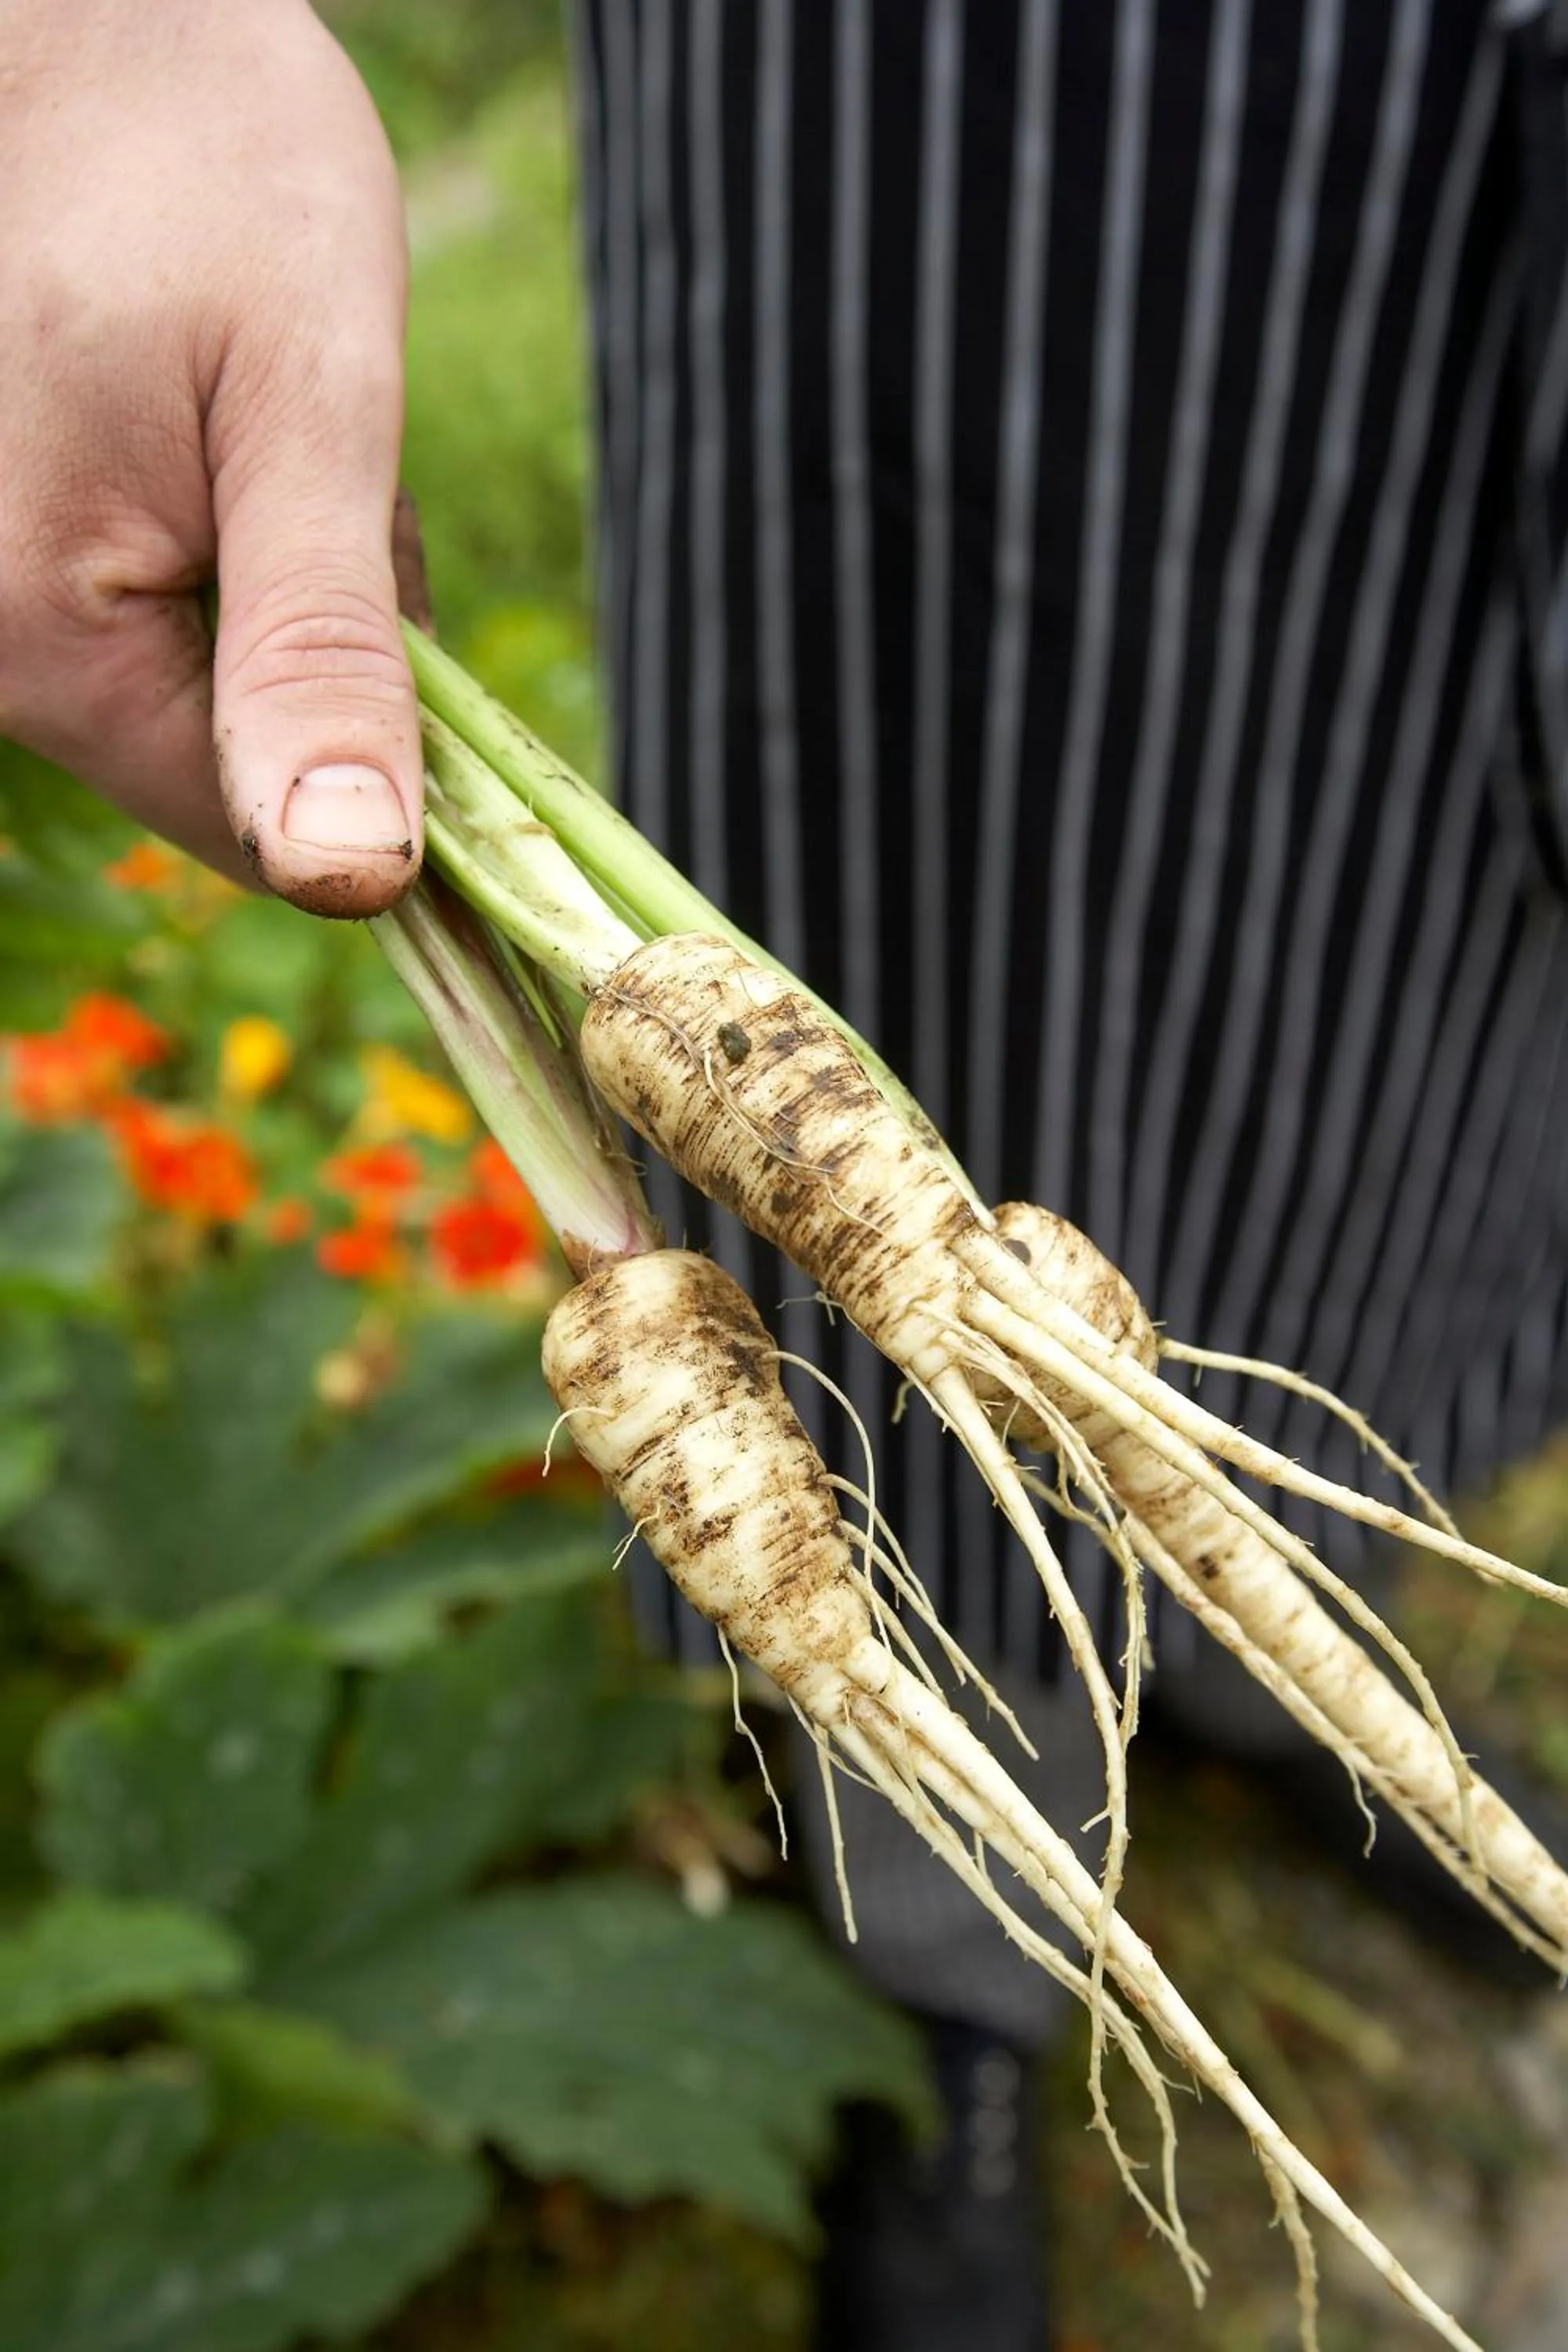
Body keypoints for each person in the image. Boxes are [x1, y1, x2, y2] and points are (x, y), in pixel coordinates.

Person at [9, 5, 1568, 2347]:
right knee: (915, 800)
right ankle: (941, 1961)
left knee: (1389, 912)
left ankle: (1268, 1651)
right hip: (916, 121)